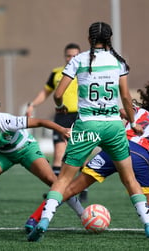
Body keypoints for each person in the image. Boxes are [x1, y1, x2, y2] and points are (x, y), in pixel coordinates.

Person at [28, 21, 149, 242]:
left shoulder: (78, 59)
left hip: (86, 126)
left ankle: (44, 220)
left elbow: (58, 93)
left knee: (63, 179)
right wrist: (132, 121)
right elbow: (127, 98)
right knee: (129, 179)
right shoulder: (118, 62)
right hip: (113, 126)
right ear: (109, 39)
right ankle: (148, 225)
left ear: (89, 38)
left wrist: (60, 103)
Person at [25, 78, 149, 232]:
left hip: (116, 149)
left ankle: (35, 218)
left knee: (70, 188)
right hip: (140, 159)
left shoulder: (140, 112)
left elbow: (121, 112)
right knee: (147, 205)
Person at [0, 102, 84, 234]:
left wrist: (61, 130)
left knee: (54, 182)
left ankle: (82, 214)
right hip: (2, 154)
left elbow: (40, 122)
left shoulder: (6, 121)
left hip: (26, 149)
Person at [26, 43, 89, 203]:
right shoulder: (57, 73)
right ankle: (55, 189)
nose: (71, 58)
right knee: (59, 155)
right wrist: (32, 104)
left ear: (80, 56)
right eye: (68, 55)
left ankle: (83, 190)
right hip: (62, 117)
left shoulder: (86, 71)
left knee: (82, 155)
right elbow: (45, 92)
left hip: (81, 117)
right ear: (64, 56)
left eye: (75, 56)